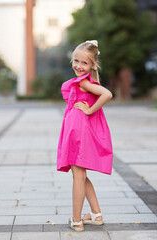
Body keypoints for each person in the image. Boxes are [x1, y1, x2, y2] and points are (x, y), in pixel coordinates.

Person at [57, 40, 113, 232]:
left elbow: (107, 94)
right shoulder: (85, 81)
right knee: (80, 174)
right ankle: (96, 214)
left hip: (78, 132)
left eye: (84, 63)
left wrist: (90, 111)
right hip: (78, 130)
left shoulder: (84, 82)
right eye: (76, 61)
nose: (78, 66)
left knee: (78, 177)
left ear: (92, 65)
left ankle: (76, 219)